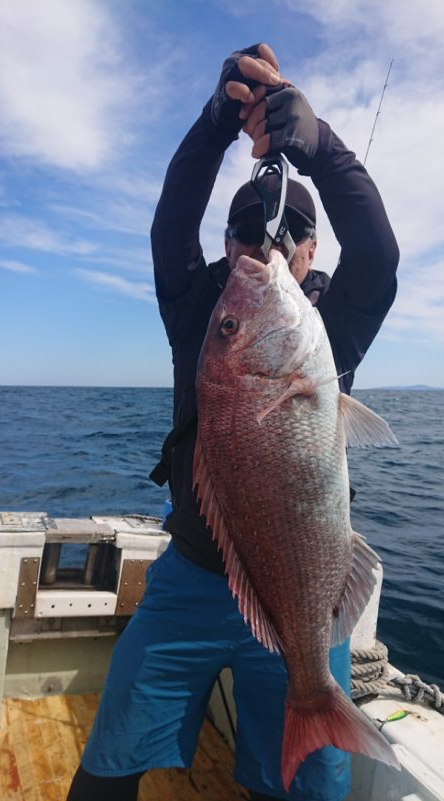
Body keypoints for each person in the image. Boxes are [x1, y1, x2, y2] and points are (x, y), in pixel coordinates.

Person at [67, 44, 399, 801]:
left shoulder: (333, 326)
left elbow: (378, 256)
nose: (265, 247)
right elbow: (170, 225)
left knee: (309, 786)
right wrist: (218, 118)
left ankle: (311, 708)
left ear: (312, 250)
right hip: (189, 576)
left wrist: (320, 146)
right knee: (108, 763)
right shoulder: (204, 312)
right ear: (225, 245)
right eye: (247, 234)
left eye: (285, 236)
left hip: (304, 594)